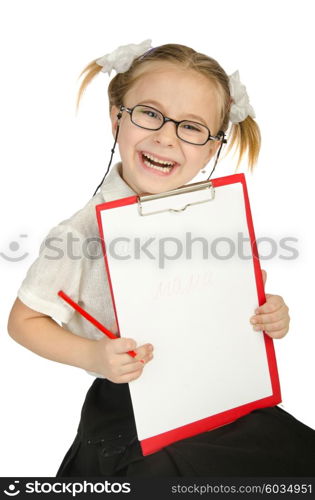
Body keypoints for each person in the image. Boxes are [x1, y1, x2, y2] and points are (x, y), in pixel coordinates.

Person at [7, 41, 315, 477]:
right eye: (150, 114)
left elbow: (226, 307)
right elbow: (23, 322)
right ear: (117, 117)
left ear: (212, 148)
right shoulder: (79, 234)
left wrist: (269, 314)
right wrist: (93, 356)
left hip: (218, 398)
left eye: (191, 127)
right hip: (133, 416)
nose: (165, 137)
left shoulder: (213, 222)